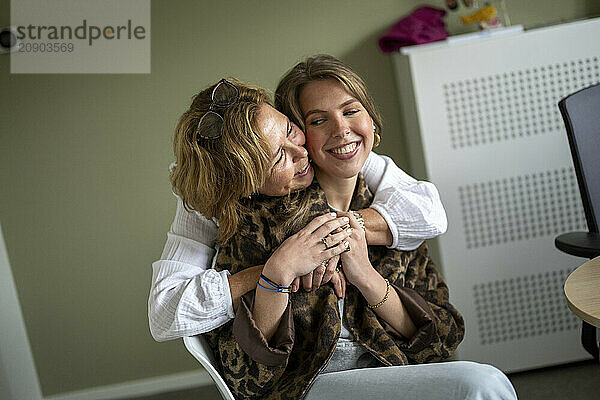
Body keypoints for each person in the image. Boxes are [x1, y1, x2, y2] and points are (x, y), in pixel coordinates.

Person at [201, 55, 517, 400]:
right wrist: (276, 275)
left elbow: (443, 337)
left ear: (371, 121)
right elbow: (241, 376)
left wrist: (366, 276)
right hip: (304, 388)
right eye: (318, 120)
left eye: (351, 111)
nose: (341, 130)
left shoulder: (398, 212)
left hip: (394, 377)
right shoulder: (258, 222)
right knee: (481, 385)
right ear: (299, 133)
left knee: (479, 383)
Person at [148, 78, 448, 342]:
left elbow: (430, 213)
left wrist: (334, 236)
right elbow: (164, 314)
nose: (301, 152)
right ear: (245, 185)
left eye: (291, 130)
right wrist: (274, 270)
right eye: (279, 159)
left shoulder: (333, 150)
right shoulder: (210, 196)